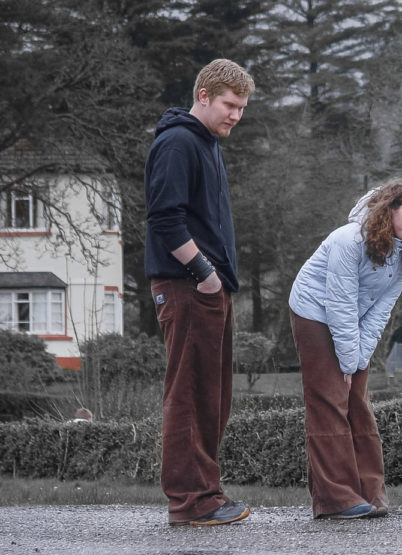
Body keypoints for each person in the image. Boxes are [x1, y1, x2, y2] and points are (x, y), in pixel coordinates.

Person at [144, 59, 255, 527]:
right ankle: (191, 502)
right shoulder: (178, 142)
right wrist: (205, 273)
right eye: (230, 105)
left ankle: (205, 494)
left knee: (211, 396)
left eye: (242, 108)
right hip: (188, 285)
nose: (236, 115)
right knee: (189, 394)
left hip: (208, 288)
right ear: (204, 96)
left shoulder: (206, 143)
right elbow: (164, 218)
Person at [289, 178, 402, 520]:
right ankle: (335, 500)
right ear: (391, 208)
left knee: (357, 403)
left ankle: (369, 494)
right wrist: (347, 365)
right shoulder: (348, 240)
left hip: (353, 320)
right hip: (315, 312)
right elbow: (339, 303)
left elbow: (380, 311)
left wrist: (358, 361)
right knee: (329, 401)